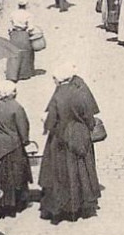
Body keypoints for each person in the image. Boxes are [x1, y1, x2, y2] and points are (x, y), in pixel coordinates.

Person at [39, 64, 101, 224]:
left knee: (61, 173)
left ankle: (63, 207)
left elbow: (51, 121)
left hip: (61, 138)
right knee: (81, 171)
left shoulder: (58, 95)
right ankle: (81, 204)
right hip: (79, 135)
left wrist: (45, 123)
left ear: (58, 80)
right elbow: (89, 116)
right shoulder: (80, 92)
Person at [0, 82, 32, 218]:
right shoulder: (16, 107)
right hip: (14, 146)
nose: (16, 93)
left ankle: (2, 204)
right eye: (14, 91)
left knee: (2, 177)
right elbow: (23, 127)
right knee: (16, 176)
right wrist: (25, 140)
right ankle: (16, 203)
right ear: (9, 93)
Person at [6, 12, 35, 82]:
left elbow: (9, 27)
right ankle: (24, 74)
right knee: (25, 53)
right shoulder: (28, 14)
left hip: (14, 34)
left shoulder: (13, 14)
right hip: (24, 33)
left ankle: (12, 74)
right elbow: (31, 27)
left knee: (13, 54)